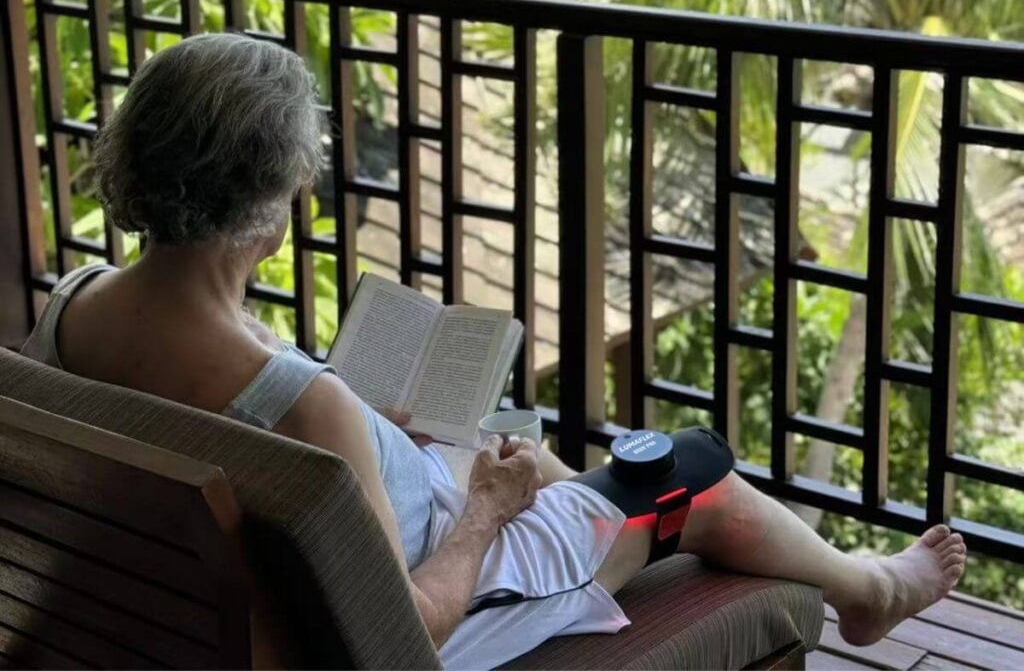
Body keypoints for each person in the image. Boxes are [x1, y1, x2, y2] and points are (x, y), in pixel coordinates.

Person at [21, 33, 966, 669]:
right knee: (689, 470)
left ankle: (579, 508)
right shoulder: (307, 406)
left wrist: (386, 444)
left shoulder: (71, 307)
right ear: (273, 202)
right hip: (441, 608)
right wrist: (482, 513)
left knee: (517, 451)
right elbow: (404, 633)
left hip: (181, 619)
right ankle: (869, 588)